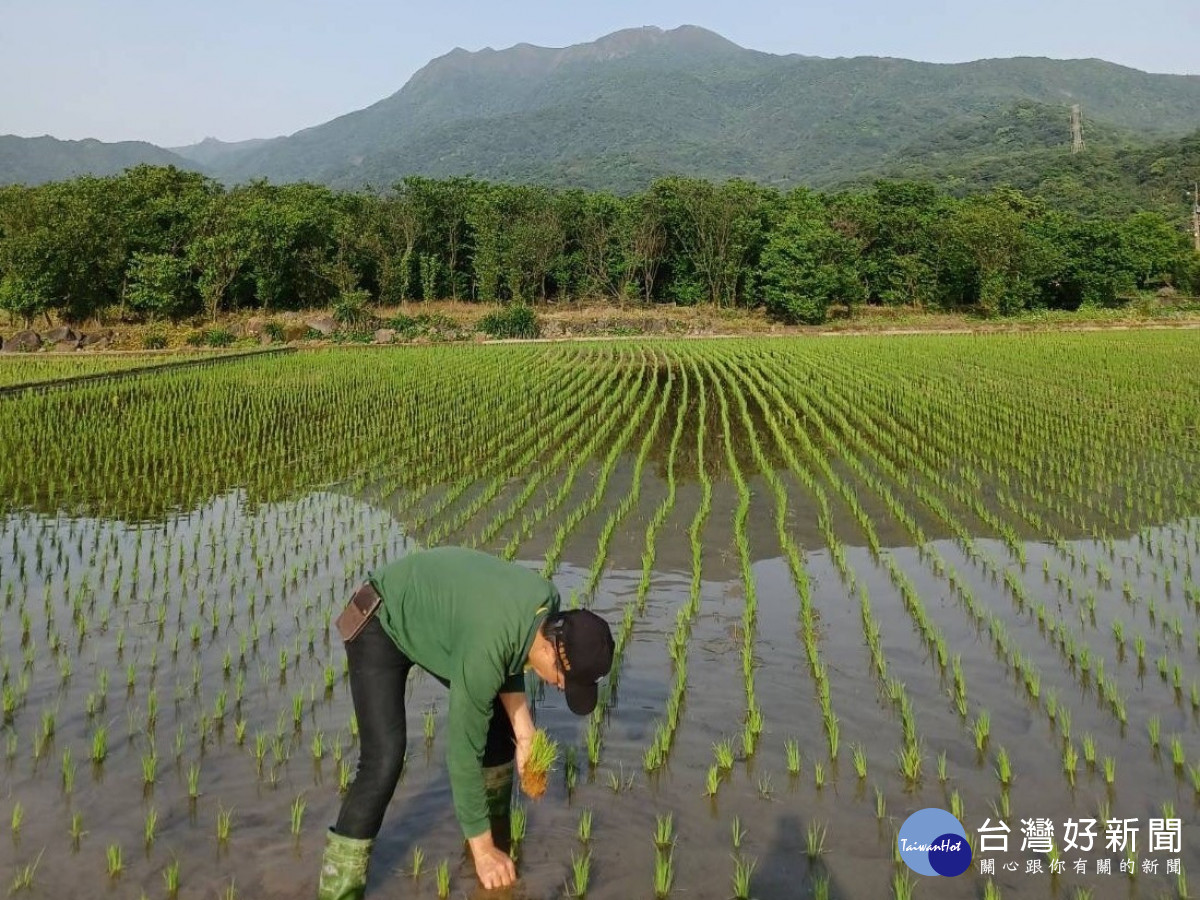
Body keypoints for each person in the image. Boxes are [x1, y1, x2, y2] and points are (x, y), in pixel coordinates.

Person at [317, 546, 615, 899]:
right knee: (383, 759)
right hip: (380, 619)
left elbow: (512, 647)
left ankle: (493, 850)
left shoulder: (545, 605)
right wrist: (483, 850)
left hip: (445, 623)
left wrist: (525, 732)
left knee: (499, 738)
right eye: (564, 678)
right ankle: (339, 889)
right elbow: (461, 754)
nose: (561, 685)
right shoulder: (485, 649)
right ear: (550, 650)